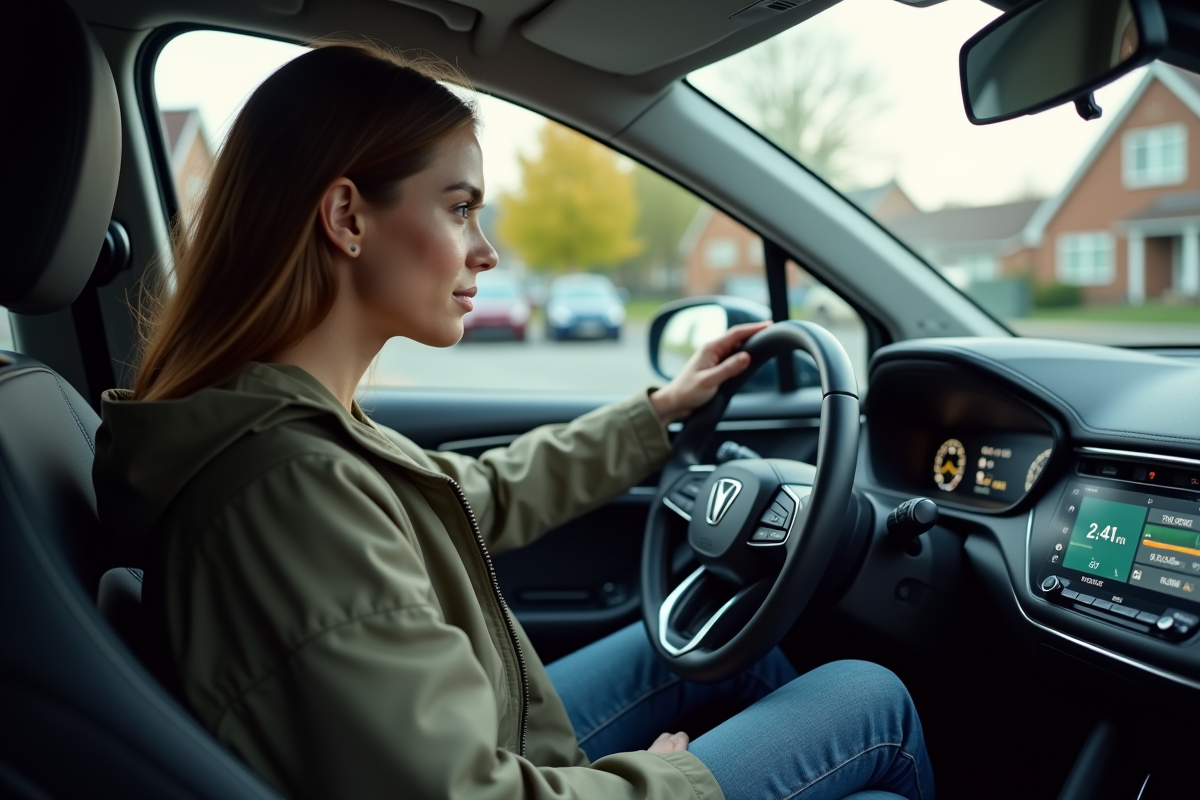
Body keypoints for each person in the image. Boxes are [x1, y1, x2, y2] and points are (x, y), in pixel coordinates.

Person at [94, 42, 933, 800]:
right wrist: (665, 778)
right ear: (347, 218)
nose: (487, 251)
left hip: (487, 743)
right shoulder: (290, 488)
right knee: (869, 701)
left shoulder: (299, 427)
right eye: (460, 208)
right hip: (493, 774)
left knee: (718, 651)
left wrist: (658, 414)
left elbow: (478, 494)